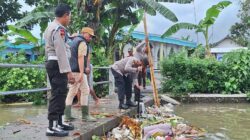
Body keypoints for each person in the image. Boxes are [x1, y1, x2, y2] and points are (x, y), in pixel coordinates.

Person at [44, 3, 74, 137]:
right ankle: (52, 127)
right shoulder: (58, 29)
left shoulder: (52, 27)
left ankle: (59, 122)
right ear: (65, 15)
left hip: (55, 63)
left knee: (61, 94)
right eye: (69, 16)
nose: (70, 19)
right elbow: (60, 51)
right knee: (57, 95)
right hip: (57, 63)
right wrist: (68, 71)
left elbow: (62, 45)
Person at [64, 27, 96, 122]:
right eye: (90, 35)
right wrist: (82, 72)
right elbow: (80, 57)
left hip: (72, 69)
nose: (90, 38)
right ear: (84, 33)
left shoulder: (74, 41)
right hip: (78, 71)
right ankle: (84, 116)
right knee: (80, 91)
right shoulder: (82, 42)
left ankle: (68, 115)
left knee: (75, 91)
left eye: (91, 36)